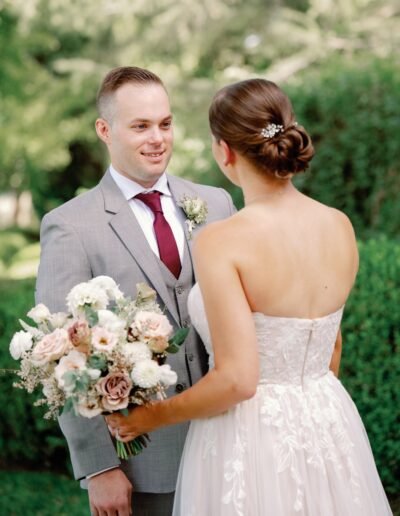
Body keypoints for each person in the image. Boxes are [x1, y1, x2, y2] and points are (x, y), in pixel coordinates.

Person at [106, 78, 393, 515]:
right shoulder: (339, 225)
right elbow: (330, 347)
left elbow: (238, 380)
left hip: (248, 436)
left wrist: (150, 417)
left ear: (224, 152)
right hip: (329, 422)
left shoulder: (223, 241)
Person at [35, 66, 235, 516]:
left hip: (230, 441)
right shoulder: (71, 225)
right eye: (140, 126)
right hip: (145, 460)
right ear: (104, 130)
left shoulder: (217, 203)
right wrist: (99, 469)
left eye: (165, 124)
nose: (157, 138)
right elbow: (60, 359)